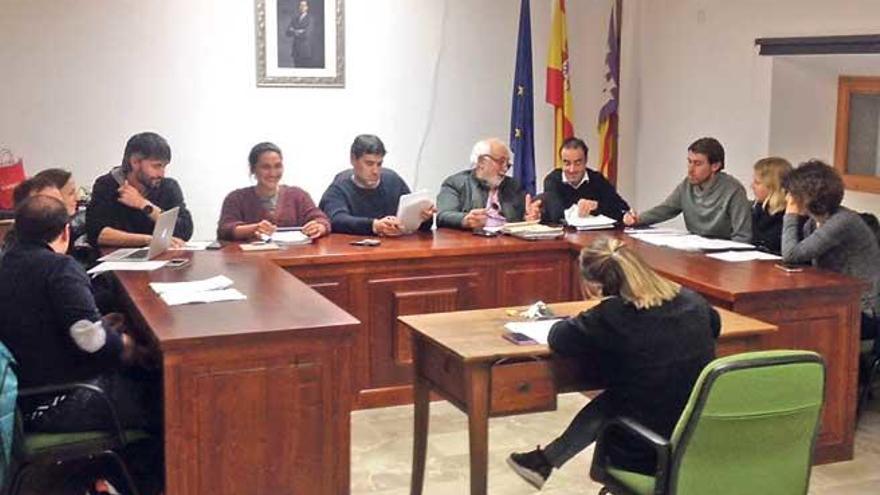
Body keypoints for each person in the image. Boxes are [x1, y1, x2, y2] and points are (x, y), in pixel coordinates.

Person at [507, 237, 720, 489]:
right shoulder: (692, 301)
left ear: (596, 286)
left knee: (614, 404)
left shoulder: (610, 317)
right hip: (700, 439)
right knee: (623, 397)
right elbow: (715, 325)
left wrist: (600, 307)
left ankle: (545, 461)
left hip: (646, 452)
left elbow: (559, 338)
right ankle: (545, 461)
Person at [0, 195, 162, 494]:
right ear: (65, 231)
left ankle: (107, 476)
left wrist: (102, 326)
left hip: (24, 399)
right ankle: (130, 483)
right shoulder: (59, 268)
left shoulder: (6, 264)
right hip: (60, 402)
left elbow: (52, 326)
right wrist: (127, 345)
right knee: (166, 396)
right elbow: (91, 341)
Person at [781, 160, 880, 343]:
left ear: (809, 196)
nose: (788, 198)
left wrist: (791, 214)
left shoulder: (843, 222)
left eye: (792, 194)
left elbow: (790, 255)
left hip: (862, 308)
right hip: (835, 298)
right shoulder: (813, 223)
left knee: (794, 323)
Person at [623, 137, 752, 242]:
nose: (690, 169)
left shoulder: (733, 191)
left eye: (697, 164)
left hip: (724, 257)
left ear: (715, 166)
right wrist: (638, 219)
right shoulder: (687, 185)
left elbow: (742, 236)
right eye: (689, 161)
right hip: (696, 250)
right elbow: (665, 209)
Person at [86, 131, 193, 248]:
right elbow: (97, 234)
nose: (162, 174)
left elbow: (185, 231)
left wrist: (144, 205)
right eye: (156, 166)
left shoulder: (168, 186)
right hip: (117, 262)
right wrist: (148, 240)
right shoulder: (107, 185)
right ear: (135, 162)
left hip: (162, 259)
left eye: (164, 166)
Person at [319, 134, 435, 236]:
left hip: (394, 249)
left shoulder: (393, 180)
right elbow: (336, 220)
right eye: (369, 164)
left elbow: (416, 224)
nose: (375, 171)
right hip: (355, 253)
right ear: (353, 159)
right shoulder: (339, 187)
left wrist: (424, 218)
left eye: (379, 164)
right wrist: (374, 225)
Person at [218, 142, 330, 241]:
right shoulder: (236, 198)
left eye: (278, 166)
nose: (273, 173)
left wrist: (318, 227)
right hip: (250, 262)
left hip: (292, 259)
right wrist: (253, 229)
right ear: (253, 169)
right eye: (265, 167)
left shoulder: (298, 195)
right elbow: (225, 229)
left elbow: (322, 219)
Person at [436, 137, 542, 230]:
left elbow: (524, 217)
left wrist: (530, 217)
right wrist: (465, 220)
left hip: (508, 244)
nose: (505, 169)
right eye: (500, 162)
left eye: (508, 165)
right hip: (474, 244)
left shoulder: (513, 186)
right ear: (482, 162)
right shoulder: (455, 184)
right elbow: (443, 216)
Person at [541, 137, 631, 224]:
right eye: (567, 163)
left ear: (585, 162)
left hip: (595, 237)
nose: (572, 170)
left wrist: (596, 206)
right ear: (561, 162)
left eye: (577, 163)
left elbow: (621, 208)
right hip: (563, 238)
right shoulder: (552, 181)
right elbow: (556, 215)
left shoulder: (597, 179)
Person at [750, 157, 792, 254]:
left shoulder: (790, 215)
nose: (752, 186)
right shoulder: (758, 209)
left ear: (773, 186)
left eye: (757, 183)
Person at [287, 0, 317, 67]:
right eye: (300, 5)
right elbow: (288, 32)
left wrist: (294, 30)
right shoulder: (295, 18)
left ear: (307, 7)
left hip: (305, 50)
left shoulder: (310, 19)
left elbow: (306, 34)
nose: (302, 7)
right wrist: (298, 31)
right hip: (295, 50)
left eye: (304, 5)